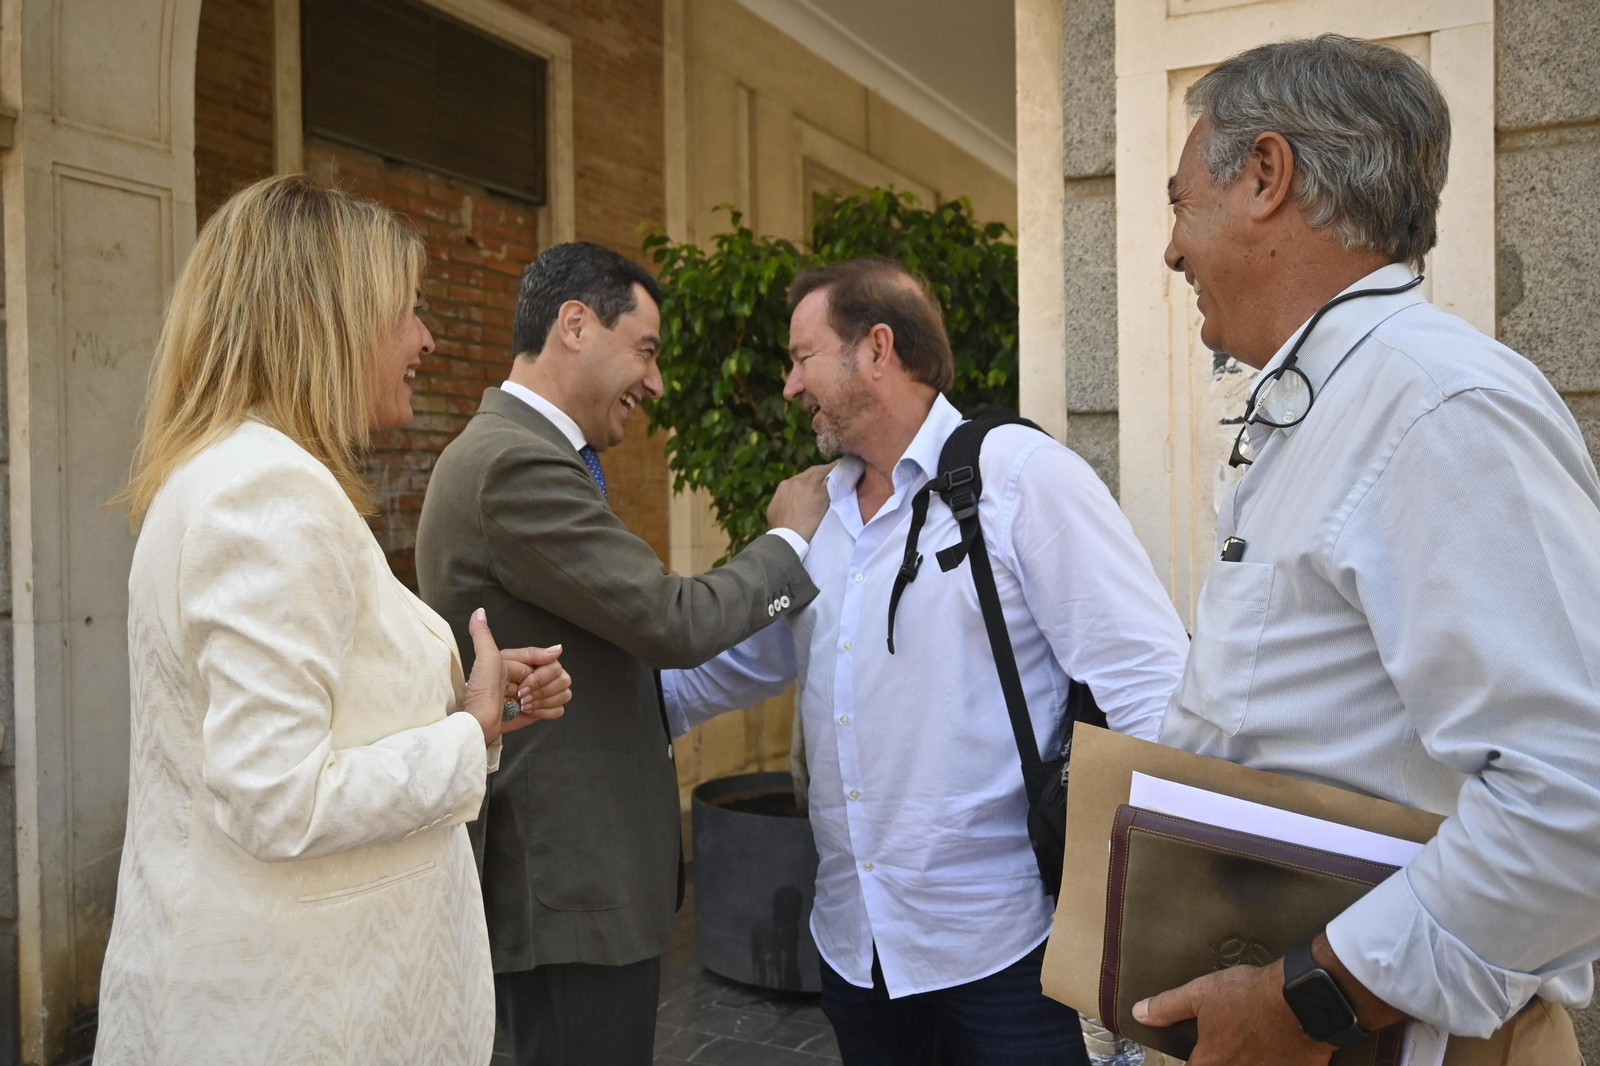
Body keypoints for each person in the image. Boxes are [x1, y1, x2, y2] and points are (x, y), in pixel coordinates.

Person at [1133, 35, 1599, 1065]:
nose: (1171, 251)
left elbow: (1579, 792)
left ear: (1265, 175)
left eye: (1177, 201)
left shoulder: (1437, 405)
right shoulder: (1350, 396)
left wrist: (1316, 997)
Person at [661, 256, 1192, 1065]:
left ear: (876, 349)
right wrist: (604, 698)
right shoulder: (815, 515)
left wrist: (1150, 911)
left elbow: (1148, 680)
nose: (790, 387)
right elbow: (734, 663)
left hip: (1003, 948)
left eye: (803, 358)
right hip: (854, 945)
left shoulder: (1019, 476)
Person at [95, 175, 573, 1065]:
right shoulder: (263, 493)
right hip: (298, 1018)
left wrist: (475, 700)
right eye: (409, 309)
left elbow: (312, 716)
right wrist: (466, 733)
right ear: (330, 316)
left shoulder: (232, 476)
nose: (427, 338)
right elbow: (277, 797)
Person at [414, 240, 832, 1066]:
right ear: (575, 325)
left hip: (579, 886)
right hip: (567, 890)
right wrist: (788, 541)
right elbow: (669, 621)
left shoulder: (537, 459)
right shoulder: (512, 465)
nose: (656, 382)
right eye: (646, 350)